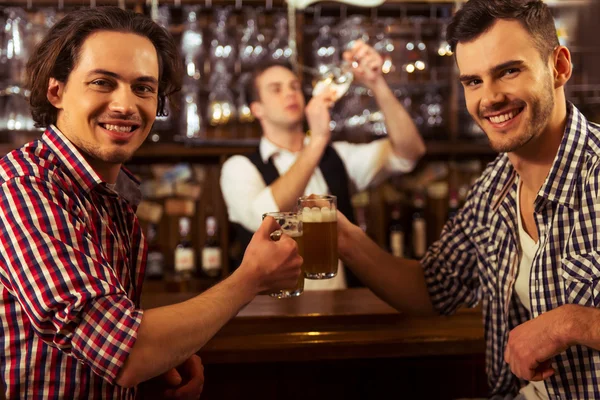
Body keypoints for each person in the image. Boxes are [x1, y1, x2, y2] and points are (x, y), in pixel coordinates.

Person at [0, 7, 302, 399]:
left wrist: (167, 352)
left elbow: (112, 346)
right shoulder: (22, 189)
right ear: (55, 91)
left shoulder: (110, 195)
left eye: (143, 88)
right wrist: (250, 280)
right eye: (103, 83)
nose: (126, 105)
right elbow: (126, 352)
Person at [335, 0, 600, 398]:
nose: (489, 98)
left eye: (508, 71)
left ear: (559, 67)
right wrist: (344, 239)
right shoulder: (492, 189)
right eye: (473, 81)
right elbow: (432, 287)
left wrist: (570, 323)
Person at [220, 41, 425, 290]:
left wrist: (376, 84)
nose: (290, 94)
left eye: (294, 86)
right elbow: (264, 216)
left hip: (343, 309)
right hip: (275, 313)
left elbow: (409, 152)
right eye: (276, 89)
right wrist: (317, 139)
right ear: (257, 109)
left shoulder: (336, 156)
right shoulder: (238, 168)